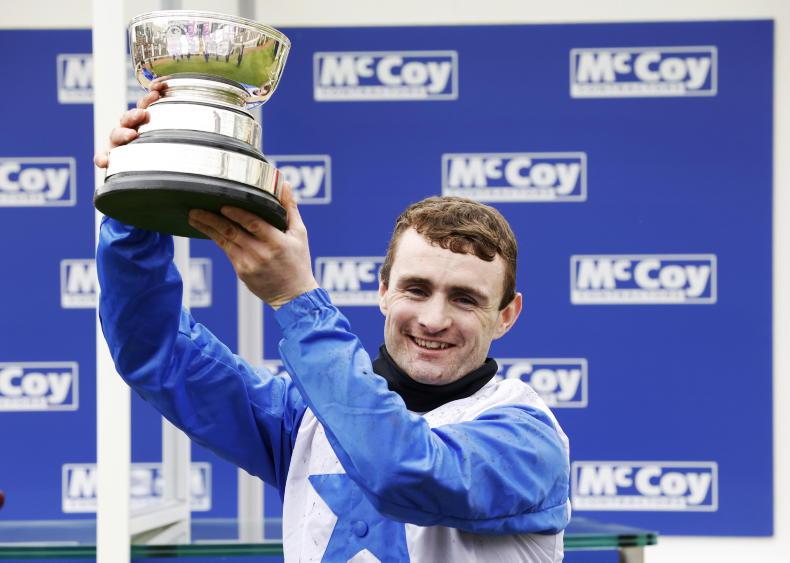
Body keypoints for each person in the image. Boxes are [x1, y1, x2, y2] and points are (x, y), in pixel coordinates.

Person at [94, 88, 571, 562]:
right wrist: (140, 196)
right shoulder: (306, 417)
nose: (433, 319)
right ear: (383, 291)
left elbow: (402, 470)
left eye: (465, 299)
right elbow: (154, 351)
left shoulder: (527, 440)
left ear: (506, 316)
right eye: (416, 289)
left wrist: (299, 301)